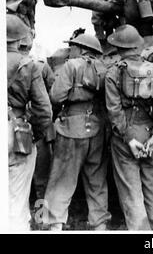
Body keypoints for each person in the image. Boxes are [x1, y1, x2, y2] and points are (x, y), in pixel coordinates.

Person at [43, 34, 111, 231]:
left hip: (72, 127)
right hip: (97, 127)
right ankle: (100, 224)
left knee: (62, 177)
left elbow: (56, 97)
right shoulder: (103, 67)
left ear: (81, 49)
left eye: (72, 46)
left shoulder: (71, 65)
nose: (70, 50)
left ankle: (54, 223)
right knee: (97, 177)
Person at [105, 25, 153, 230]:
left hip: (127, 137)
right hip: (150, 133)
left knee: (132, 193)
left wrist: (129, 137)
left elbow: (114, 111)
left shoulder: (114, 72)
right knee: (152, 188)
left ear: (119, 47)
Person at [7, 14, 53, 230]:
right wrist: (36, 133)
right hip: (18, 129)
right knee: (20, 191)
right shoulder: (31, 65)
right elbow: (45, 110)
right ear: (19, 40)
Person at [18, 34, 56, 201]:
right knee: (42, 169)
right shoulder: (41, 66)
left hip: (18, 121)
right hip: (36, 122)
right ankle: (42, 209)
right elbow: (51, 93)